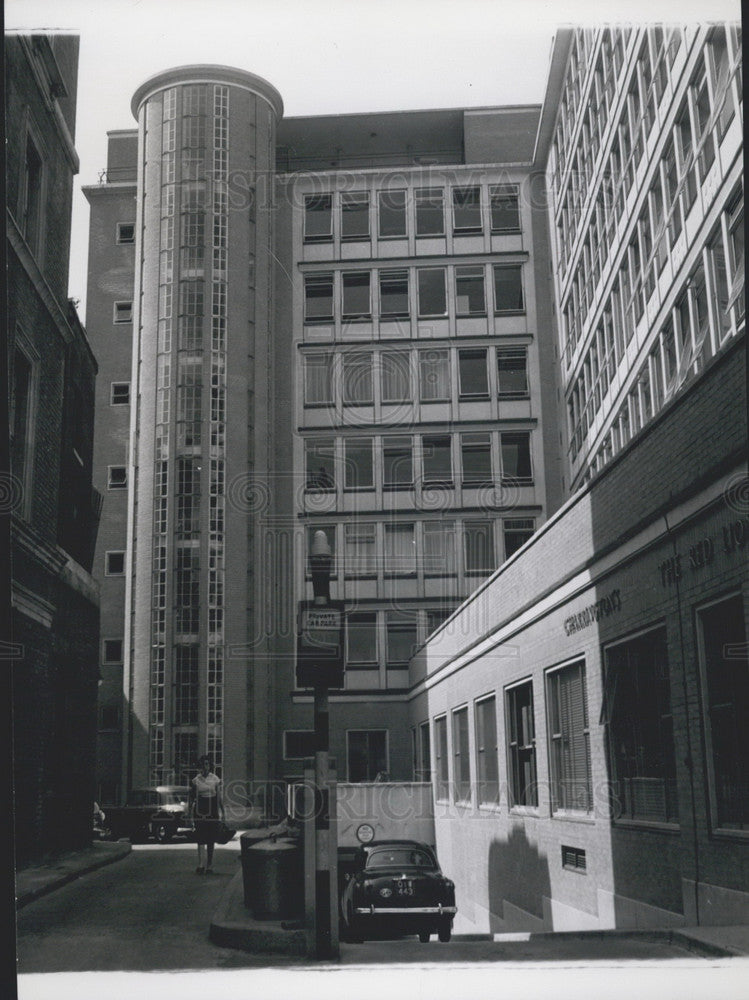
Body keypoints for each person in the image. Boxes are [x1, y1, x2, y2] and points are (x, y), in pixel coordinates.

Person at [189, 755, 224, 874]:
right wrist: (190, 815)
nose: (205, 767)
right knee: (200, 837)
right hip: (200, 809)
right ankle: (200, 864)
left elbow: (219, 797)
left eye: (207, 764)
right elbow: (191, 798)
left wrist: (222, 812)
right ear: (200, 766)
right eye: (203, 764)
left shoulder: (215, 779)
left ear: (210, 766)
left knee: (210, 838)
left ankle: (209, 865)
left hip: (212, 808)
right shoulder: (196, 780)